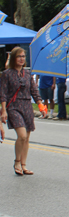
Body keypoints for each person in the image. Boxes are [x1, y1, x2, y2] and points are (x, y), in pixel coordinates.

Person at [0, 47, 47, 175]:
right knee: (22, 135)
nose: (21, 59)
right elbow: (3, 94)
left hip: (27, 106)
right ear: (14, 58)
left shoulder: (27, 74)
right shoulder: (6, 74)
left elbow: (34, 91)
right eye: (19, 56)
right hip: (13, 106)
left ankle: (24, 165)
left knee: (26, 138)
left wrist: (40, 105)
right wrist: (3, 111)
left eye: (23, 56)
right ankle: (16, 162)